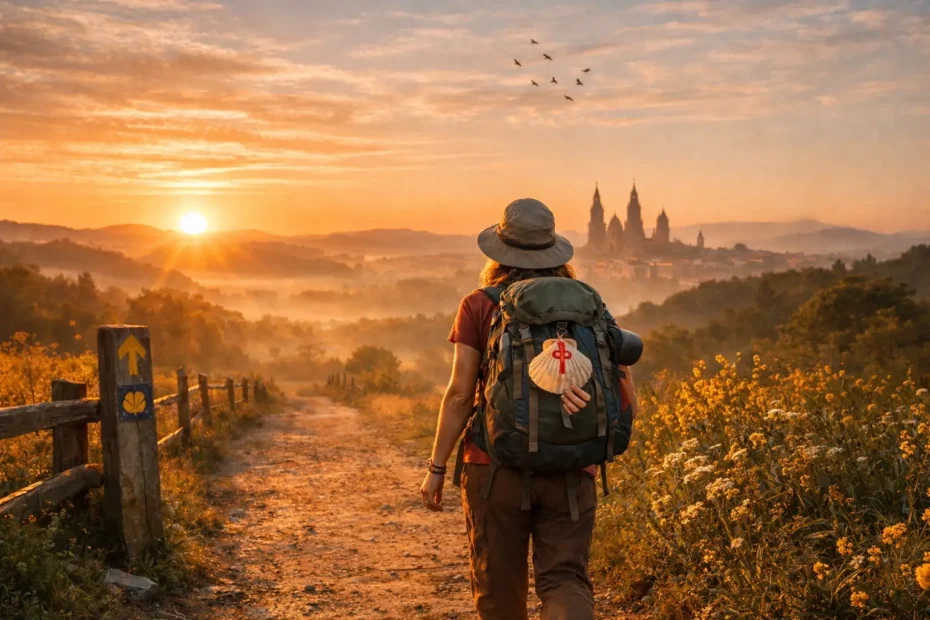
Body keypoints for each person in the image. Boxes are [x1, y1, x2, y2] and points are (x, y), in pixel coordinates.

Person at [419, 198, 638, 620]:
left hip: (493, 467)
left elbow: (461, 394)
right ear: (553, 250)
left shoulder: (480, 304)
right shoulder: (589, 304)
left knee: (499, 588)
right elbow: (624, 386)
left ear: (499, 252)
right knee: (565, 581)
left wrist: (437, 467)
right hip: (572, 469)